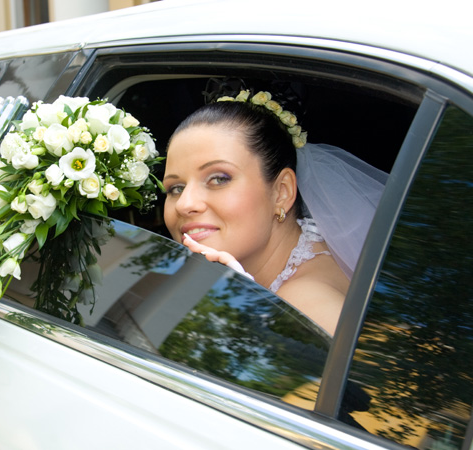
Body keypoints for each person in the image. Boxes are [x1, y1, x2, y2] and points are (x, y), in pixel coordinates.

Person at [162, 89, 387, 336]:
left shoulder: (303, 311)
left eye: (219, 178)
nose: (184, 204)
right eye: (176, 188)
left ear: (282, 192)